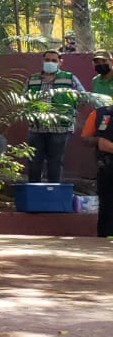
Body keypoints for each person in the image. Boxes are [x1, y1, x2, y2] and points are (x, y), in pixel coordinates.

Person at [23, 49, 84, 184]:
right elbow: (23, 100)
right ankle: (35, 194)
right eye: (47, 60)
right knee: (34, 163)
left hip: (60, 129)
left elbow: (82, 97)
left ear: (60, 63)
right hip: (36, 129)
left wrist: (67, 108)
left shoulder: (69, 78)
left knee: (55, 164)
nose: (50, 62)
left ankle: (52, 194)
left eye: (54, 60)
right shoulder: (32, 79)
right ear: (42, 61)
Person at [79, 105, 113, 239]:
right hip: (107, 167)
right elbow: (85, 138)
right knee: (106, 204)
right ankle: (105, 237)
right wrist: (99, 141)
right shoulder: (99, 114)